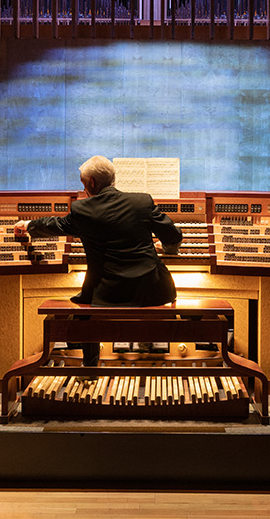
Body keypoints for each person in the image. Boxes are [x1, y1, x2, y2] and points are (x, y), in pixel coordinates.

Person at [14, 155, 182, 365]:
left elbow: (55, 225)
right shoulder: (142, 201)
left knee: (83, 314)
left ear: (91, 183)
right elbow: (174, 236)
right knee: (85, 310)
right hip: (151, 289)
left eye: (83, 183)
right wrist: (167, 249)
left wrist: (29, 225)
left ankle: (90, 367)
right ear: (113, 179)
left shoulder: (83, 210)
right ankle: (154, 357)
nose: (84, 188)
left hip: (107, 293)